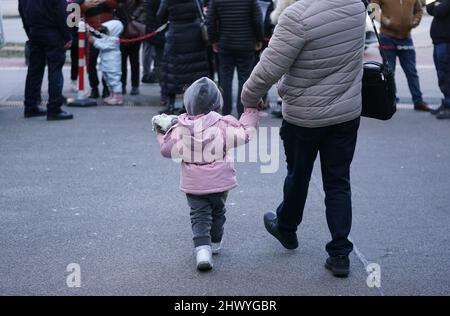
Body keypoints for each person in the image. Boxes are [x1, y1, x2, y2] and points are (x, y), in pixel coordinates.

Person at [241, 0, 366, 278]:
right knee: (338, 182)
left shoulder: (297, 16)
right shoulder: (357, 7)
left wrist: (249, 97)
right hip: (346, 113)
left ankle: (286, 227)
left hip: (304, 115)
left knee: (298, 174)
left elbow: (270, 67)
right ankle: (340, 253)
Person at [155, 77, 262, 271]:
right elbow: (246, 134)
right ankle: (215, 242)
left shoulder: (180, 128)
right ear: (218, 103)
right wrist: (251, 112)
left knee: (199, 215)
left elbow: (166, 150)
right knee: (218, 210)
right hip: (220, 181)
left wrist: (161, 132)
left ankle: (202, 251)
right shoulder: (222, 125)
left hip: (193, 184)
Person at [207, 0, 263, 118]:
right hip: (246, 44)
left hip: (225, 43)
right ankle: (242, 110)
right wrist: (259, 38)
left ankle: (225, 110)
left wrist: (214, 41)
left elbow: (210, 20)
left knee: (225, 78)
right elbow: (257, 20)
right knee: (244, 78)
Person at [19, 0, 74, 121]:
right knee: (55, 70)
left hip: (35, 32)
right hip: (53, 33)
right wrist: (67, 36)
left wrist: (29, 31)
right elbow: (61, 13)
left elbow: (22, 11)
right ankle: (54, 108)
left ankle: (31, 106)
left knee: (34, 70)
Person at [372, 0, 431, 111]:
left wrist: (415, 21)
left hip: (406, 38)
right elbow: (372, 7)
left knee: (411, 71)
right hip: (387, 37)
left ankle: (418, 101)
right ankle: (390, 101)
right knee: (389, 72)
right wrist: (384, 20)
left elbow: (418, 10)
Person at [157, 0, 210, 115]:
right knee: (192, 72)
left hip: (176, 34)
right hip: (194, 35)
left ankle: (170, 104)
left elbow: (160, 16)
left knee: (172, 72)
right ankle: (186, 106)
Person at [75, 0, 119, 99]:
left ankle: (106, 88)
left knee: (107, 62)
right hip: (90, 31)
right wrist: (84, 6)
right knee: (91, 62)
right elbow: (75, 9)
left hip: (107, 31)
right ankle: (94, 87)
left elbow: (116, 5)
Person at [89, 20, 124, 105]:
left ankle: (117, 96)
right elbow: (101, 42)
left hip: (112, 65)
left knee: (114, 80)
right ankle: (112, 94)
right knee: (108, 79)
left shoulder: (114, 39)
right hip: (106, 64)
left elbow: (103, 46)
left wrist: (93, 41)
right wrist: (93, 38)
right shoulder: (107, 37)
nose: (106, 31)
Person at [427, 0, 450, 119]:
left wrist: (437, 5)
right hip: (439, 41)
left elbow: (439, 10)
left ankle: (449, 105)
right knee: (442, 74)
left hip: (446, 42)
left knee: (446, 75)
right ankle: (446, 103)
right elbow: (429, 8)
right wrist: (435, 5)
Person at [117, 0, 146, 96]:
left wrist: (134, 16)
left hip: (133, 30)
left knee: (133, 61)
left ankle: (134, 86)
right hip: (122, 30)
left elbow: (143, 4)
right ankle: (124, 85)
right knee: (123, 62)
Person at [142, 0, 165, 87]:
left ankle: (149, 74)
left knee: (156, 57)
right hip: (160, 28)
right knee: (160, 58)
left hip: (154, 28)